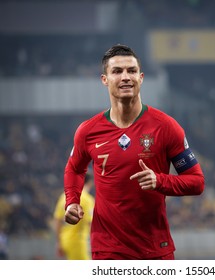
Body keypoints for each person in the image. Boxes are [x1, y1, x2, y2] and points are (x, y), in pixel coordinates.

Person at [63, 44, 205, 260]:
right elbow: (74, 168)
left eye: (131, 70)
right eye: (117, 71)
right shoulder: (88, 131)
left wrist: (159, 181)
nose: (125, 77)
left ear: (141, 77)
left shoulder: (166, 126)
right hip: (108, 250)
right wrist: (72, 201)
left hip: (155, 248)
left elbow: (196, 182)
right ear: (105, 79)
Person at [54, 172, 95, 260]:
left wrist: (58, 242)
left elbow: (57, 220)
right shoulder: (87, 199)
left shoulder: (64, 196)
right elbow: (91, 224)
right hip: (78, 242)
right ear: (90, 183)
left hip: (65, 240)